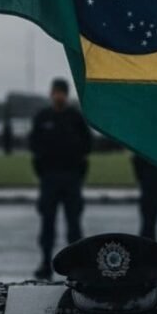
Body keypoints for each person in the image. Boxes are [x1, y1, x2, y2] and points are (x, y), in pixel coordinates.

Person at [29, 78, 92, 280]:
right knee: (47, 224)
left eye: (62, 92)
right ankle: (45, 263)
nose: (59, 96)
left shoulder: (75, 118)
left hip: (71, 178)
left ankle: (76, 265)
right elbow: (34, 145)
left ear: (66, 94)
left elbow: (87, 145)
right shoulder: (42, 117)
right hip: (49, 178)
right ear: (51, 94)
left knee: (73, 225)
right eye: (56, 92)